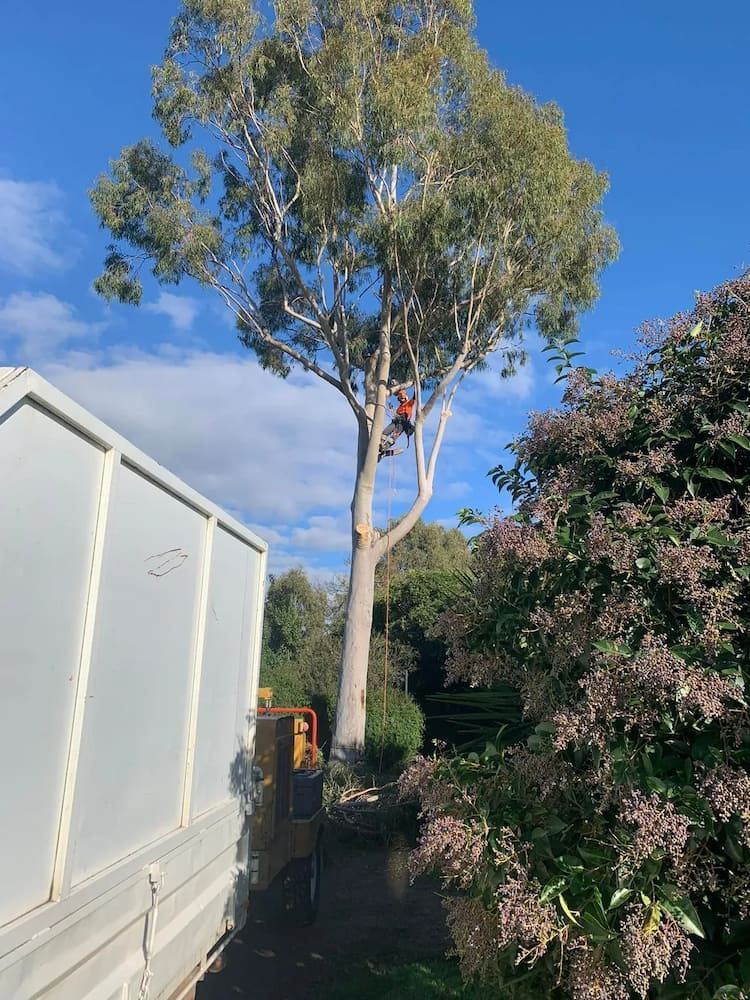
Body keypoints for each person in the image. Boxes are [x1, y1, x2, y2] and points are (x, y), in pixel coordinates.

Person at [379, 389, 415, 458]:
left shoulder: (409, 403)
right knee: (385, 432)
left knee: (393, 437)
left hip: (402, 424)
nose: (401, 400)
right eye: (400, 399)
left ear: (405, 397)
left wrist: (417, 385)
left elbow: (414, 397)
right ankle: (381, 443)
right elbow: (396, 414)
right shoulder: (399, 408)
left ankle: (384, 448)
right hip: (395, 421)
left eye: (402, 398)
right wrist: (392, 410)